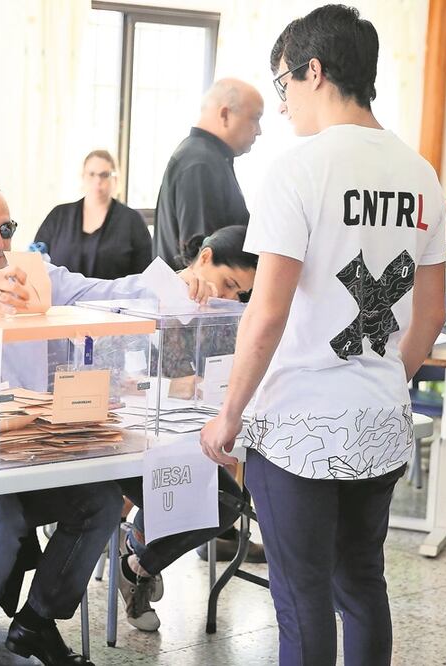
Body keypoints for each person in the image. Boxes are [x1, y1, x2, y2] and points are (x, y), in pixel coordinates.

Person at [199, 6, 446, 665]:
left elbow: (268, 310)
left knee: (300, 593)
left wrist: (230, 413)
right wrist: (390, 379)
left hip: (299, 423)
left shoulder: (298, 168)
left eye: (282, 84)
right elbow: (429, 314)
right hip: (379, 415)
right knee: (361, 582)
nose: (280, 105)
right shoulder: (419, 174)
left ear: (314, 71)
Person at [0, 179, 214, 665]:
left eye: (6, 229)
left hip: (24, 453)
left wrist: (177, 281)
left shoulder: (29, 273)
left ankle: (35, 623)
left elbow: (106, 292)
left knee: (101, 501)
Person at [114, 224, 259, 632]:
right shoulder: (151, 294)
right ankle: (138, 564)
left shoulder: (219, 316)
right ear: (206, 257)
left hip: (186, 437)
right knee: (212, 498)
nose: (231, 298)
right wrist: (173, 386)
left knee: (227, 503)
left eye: (240, 295)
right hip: (133, 436)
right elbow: (126, 377)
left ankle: (137, 562)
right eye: (230, 284)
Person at [152, 78, 263, 270]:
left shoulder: (206, 158)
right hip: (198, 297)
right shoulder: (200, 164)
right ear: (225, 114)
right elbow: (204, 260)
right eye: (254, 118)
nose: (259, 131)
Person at [35, 149, 152, 279]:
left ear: (115, 179)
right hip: (59, 299)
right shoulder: (58, 216)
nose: (97, 180)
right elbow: (36, 262)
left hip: (114, 299)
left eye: (104, 175)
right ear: (83, 176)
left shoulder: (132, 221)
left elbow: (145, 275)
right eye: (91, 174)